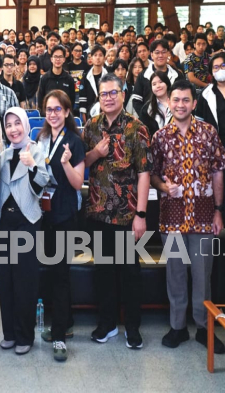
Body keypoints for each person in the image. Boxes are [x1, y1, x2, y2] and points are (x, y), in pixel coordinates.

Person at [150, 80, 225, 353]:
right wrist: (162, 186)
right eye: (176, 100)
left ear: (194, 104)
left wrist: (219, 211)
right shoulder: (159, 137)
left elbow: (218, 171)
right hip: (171, 218)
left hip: (205, 217)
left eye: (186, 100)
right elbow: (153, 176)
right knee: (175, 275)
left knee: (202, 276)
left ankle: (204, 328)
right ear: (169, 102)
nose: (181, 104)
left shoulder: (209, 133)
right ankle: (178, 327)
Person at [82, 74, 151, 349]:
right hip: (98, 213)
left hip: (126, 215)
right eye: (103, 94)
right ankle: (107, 323)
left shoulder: (137, 128)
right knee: (103, 272)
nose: (108, 98)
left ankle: (132, 327)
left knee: (129, 274)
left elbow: (145, 173)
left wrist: (141, 215)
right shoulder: (91, 126)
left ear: (123, 95)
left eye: (113, 93)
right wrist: (95, 154)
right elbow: (82, 163)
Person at [0, 108, 50, 356]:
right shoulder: (4, 154)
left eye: (18, 123)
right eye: (9, 125)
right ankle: (9, 334)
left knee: (25, 281)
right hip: (5, 222)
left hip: (27, 220)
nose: (14, 129)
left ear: (26, 126)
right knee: (5, 280)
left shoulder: (36, 150)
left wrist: (32, 167)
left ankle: (25, 335)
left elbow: (44, 184)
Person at [37, 90, 85, 362]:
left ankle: (59, 338)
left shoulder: (74, 142)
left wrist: (66, 164)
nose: (52, 114)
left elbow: (78, 182)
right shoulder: (42, 138)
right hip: (45, 215)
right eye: (49, 109)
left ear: (67, 112)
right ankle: (62, 324)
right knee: (50, 272)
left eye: (58, 109)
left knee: (61, 274)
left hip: (65, 216)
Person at [132, 39, 185, 115]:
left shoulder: (177, 75)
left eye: (163, 52)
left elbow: (183, 98)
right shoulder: (143, 75)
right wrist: (146, 117)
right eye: (157, 52)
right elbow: (136, 100)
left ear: (168, 54)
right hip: (149, 120)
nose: (160, 55)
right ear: (152, 55)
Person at [37, 46, 74, 112]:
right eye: (55, 57)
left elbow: (71, 102)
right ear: (51, 59)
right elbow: (40, 102)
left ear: (64, 59)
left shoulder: (69, 79)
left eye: (60, 57)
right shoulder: (44, 78)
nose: (58, 59)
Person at [78, 45, 107, 123]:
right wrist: (86, 121)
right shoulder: (85, 77)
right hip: (90, 115)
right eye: (95, 55)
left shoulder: (109, 77)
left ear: (104, 58)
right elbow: (83, 101)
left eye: (100, 55)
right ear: (91, 58)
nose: (98, 58)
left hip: (107, 114)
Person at [138, 71, 172, 136]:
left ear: (167, 83)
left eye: (161, 82)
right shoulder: (147, 109)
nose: (158, 86)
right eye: (154, 84)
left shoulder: (177, 103)